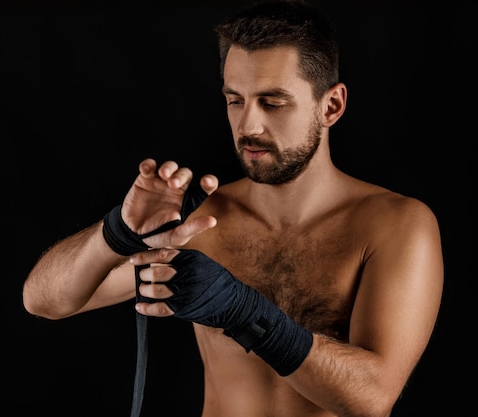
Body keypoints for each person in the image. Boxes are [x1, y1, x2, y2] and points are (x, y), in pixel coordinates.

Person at [22, 1, 444, 416]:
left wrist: (243, 311)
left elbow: (372, 398)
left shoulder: (395, 224)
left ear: (330, 106)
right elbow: (44, 300)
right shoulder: (201, 220)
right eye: (235, 101)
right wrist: (116, 234)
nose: (248, 127)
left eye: (272, 103)